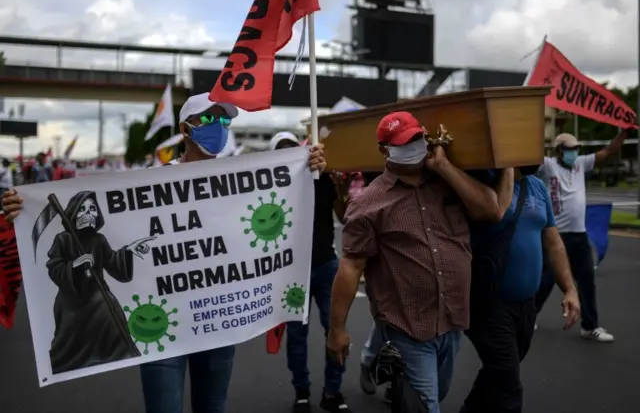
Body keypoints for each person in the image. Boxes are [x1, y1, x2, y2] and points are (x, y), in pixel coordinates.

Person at [1, 92, 327, 413]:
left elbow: (281, 196)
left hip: (220, 323)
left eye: (224, 120)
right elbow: (98, 211)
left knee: (213, 406)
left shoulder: (241, 178)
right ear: (185, 129)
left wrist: (307, 167)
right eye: (211, 118)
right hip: (164, 330)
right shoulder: (150, 180)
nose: (220, 126)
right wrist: (25, 207)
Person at [326, 111, 509, 412]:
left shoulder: (448, 182)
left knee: (438, 393)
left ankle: (388, 367)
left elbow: (491, 211)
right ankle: (386, 361)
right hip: (407, 326)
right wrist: (336, 330)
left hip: (453, 319)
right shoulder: (368, 203)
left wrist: (445, 167)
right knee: (425, 406)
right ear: (383, 151)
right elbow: (350, 268)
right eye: (403, 142)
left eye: (416, 138)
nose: (413, 145)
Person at [460, 166, 580, 413]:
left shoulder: (536, 187)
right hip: (488, 304)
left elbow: (554, 242)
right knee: (506, 379)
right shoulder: (483, 185)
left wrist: (569, 289)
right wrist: (505, 168)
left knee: (499, 372)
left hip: (526, 304)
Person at [271, 131, 352, 413]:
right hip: (292, 271)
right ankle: (301, 391)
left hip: (326, 265)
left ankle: (333, 391)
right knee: (296, 337)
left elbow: (344, 215)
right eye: (281, 152)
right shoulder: (270, 190)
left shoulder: (321, 177)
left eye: (292, 149)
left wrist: (339, 186)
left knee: (335, 329)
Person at [535, 131, 629, 342]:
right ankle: (528, 316)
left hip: (579, 235)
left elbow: (608, 151)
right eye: (569, 149)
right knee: (547, 279)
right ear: (559, 151)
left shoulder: (581, 164)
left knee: (587, 279)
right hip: (556, 236)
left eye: (576, 149)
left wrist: (623, 133)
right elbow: (530, 156)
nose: (573, 153)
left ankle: (590, 326)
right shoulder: (549, 165)